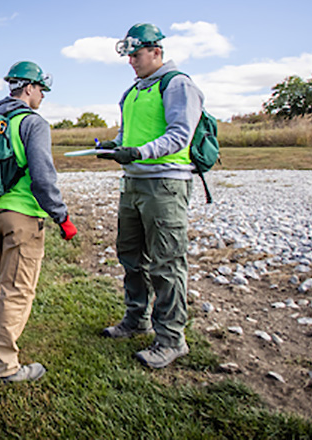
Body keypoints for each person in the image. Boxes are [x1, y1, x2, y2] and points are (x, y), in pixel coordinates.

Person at [97, 23, 204, 369]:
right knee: (131, 256)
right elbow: (127, 133)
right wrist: (115, 147)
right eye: (129, 55)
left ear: (156, 52)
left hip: (165, 186)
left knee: (166, 261)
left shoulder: (177, 85)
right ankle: (136, 319)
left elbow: (179, 135)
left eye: (136, 54)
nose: (131, 61)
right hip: (133, 184)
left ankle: (172, 339)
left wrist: (139, 152)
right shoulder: (131, 93)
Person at [0, 61, 77, 383]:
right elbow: (43, 179)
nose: (42, 96)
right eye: (41, 89)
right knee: (17, 290)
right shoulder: (33, 123)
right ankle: (4, 367)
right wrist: (62, 216)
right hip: (22, 217)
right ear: (28, 87)